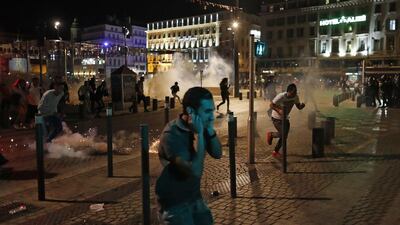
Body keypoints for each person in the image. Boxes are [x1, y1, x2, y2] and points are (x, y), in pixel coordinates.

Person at [156, 87, 222, 225]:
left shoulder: (201, 126)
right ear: (191, 111)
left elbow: (217, 153)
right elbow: (195, 172)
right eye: (208, 111)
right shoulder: (171, 134)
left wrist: (209, 130)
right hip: (174, 203)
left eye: (213, 110)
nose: (212, 116)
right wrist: (199, 135)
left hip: (194, 198)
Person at [267, 83, 305, 157]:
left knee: (284, 136)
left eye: (296, 92)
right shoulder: (281, 96)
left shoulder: (295, 97)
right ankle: (271, 134)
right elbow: (271, 105)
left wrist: (302, 106)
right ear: (288, 91)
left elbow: (298, 106)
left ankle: (275, 151)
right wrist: (279, 111)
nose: (295, 94)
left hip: (285, 118)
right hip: (276, 118)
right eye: (293, 92)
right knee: (283, 134)